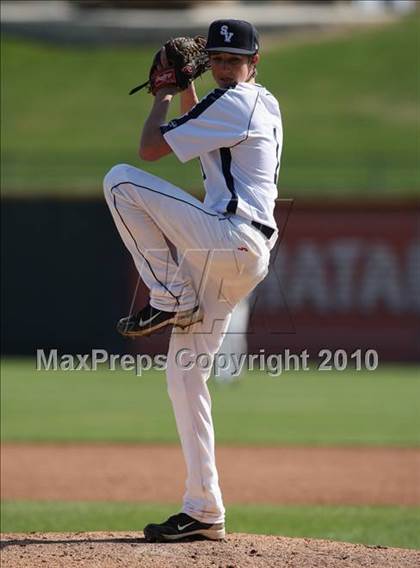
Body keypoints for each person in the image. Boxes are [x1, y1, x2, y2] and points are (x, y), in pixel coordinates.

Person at [103, 18, 282, 542]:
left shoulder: (234, 103)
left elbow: (151, 149)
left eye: (235, 59)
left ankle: (167, 293)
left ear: (254, 62)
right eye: (219, 59)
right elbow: (202, 143)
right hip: (231, 253)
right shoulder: (260, 102)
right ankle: (204, 508)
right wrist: (188, 90)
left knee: (120, 182)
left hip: (228, 238)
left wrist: (161, 95)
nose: (226, 67)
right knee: (184, 374)